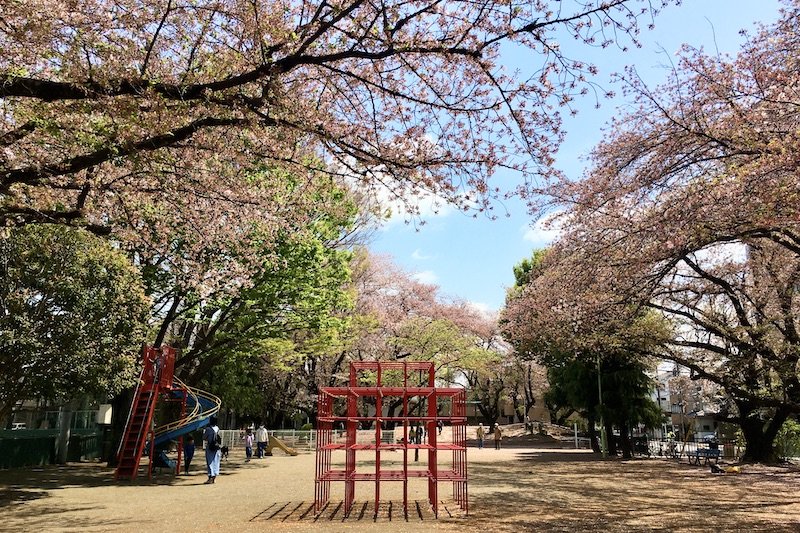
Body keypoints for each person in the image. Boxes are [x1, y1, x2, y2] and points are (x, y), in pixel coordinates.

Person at [203, 416, 221, 484]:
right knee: (216, 461)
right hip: (217, 447)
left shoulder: (208, 429)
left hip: (210, 446)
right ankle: (214, 477)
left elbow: (204, 437)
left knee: (210, 461)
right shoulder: (217, 428)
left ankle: (210, 476)